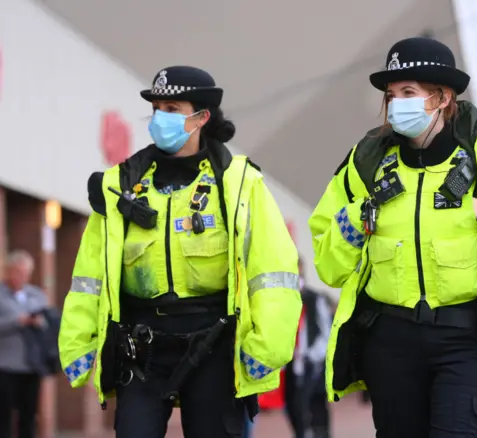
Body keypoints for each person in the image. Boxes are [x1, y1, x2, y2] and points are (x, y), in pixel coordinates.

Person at [309, 37, 477, 437]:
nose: (395, 105)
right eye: (391, 95)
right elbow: (329, 265)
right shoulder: (365, 165)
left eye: (408, 93)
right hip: (390, 342)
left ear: (442, 97)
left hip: (469, 339)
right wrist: (358, 219)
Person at [58, 66, 302, 438]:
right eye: (156, 109)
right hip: (142, 347)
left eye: (172, 108)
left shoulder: (238, 184)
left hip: (214, 345)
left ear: (201, 117)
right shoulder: (119, 186)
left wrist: (267, 347)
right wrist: (77, 343)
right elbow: (91, 276)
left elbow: (272, 272)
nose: (160, 118)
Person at [0, 250, 50, 438]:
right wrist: (17, 321)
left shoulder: (36, 295)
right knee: (4, 416)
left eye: (25, 273)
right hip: (5, 366)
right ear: (8, 271)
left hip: (31, 366)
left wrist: (39, 322)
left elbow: (48, 322)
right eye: (17, 272)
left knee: (28, 416)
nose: (21, 277)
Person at [284, 258, 332, 438]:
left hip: (313, 363)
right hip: (292, 363)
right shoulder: (284, 300)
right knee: (294, 406)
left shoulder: (314, 298)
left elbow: (325, 331)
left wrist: (314, 355)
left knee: (316, 407)